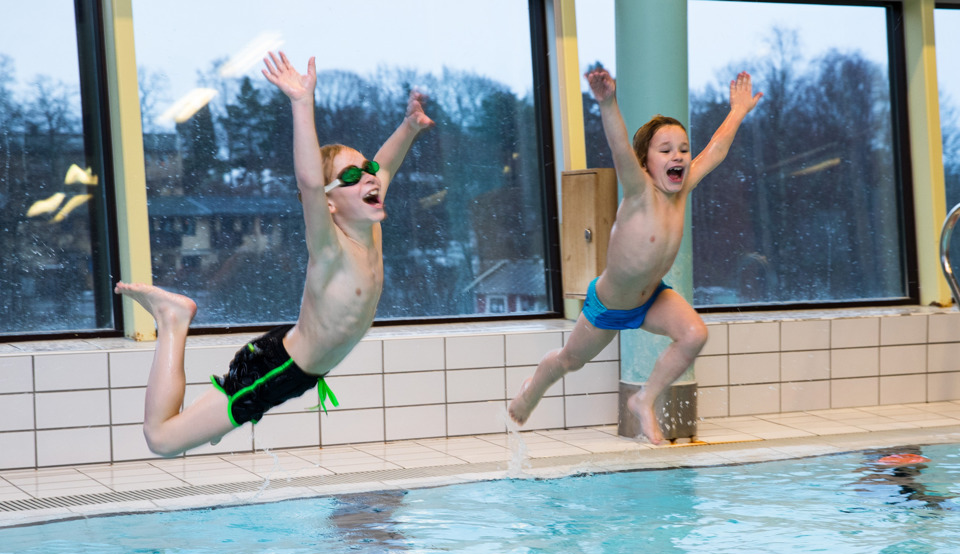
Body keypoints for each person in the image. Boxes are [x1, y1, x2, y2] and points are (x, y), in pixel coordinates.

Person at [115, 51, 433, 457]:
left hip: (294, 367)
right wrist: (301, 103)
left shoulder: (368, 223)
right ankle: (172, 318)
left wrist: (408, 127)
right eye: (351, 176)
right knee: (162, 439)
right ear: (329, 203)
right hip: (278, 368)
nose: (369, 177)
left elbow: (384, 164)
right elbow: (310, 182)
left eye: (367, 171)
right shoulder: (330, 247)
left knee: (206, 424)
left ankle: (209, 400)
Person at [509, 65, 761, 444]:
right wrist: (608, 102)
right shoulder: (639, 190)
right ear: (645, 162)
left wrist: (738, 111)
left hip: (651, 298)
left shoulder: (683, 186)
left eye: (683, 149)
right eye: (666, 150)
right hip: (609, 305)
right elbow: (619, 148)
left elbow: (716, 150)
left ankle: (644, 399)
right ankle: (532, 390)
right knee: (569, 361)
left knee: (694, 335)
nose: (678, 156)